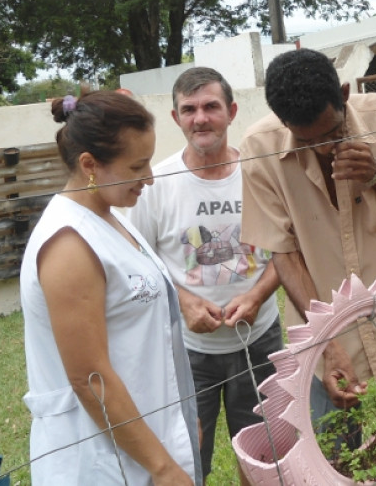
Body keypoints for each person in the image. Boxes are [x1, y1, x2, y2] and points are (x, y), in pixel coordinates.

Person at [239, 48, 376, 425]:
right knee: (335, 446)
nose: (324, 147)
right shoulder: (258, 148)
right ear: (283, 121)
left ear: (344, 94)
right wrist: (327, 344)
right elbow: (284, 254)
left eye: (331, 133)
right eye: (307, 141)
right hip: (324, 337)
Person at [20, 91, 202, 485]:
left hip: (146, 440)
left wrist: (180, 418)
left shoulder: (109, 217)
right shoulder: (69, 245)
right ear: (89, 165)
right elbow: (90, 379)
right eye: (137, 166)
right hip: (102, 461)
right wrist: (163, 467)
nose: (149, 178)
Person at [129, 67, 282, 483]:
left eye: (211, 107)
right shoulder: (155, 184)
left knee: (263, 458)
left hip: (260, 341)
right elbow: (136, 261)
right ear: (175, 117)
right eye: (189, 109)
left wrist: (257, 296)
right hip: (186, 351)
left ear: (231, 112)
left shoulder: (260, 173)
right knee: (187, 460)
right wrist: (183, 301)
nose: (200, 118)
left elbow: (289, 249)